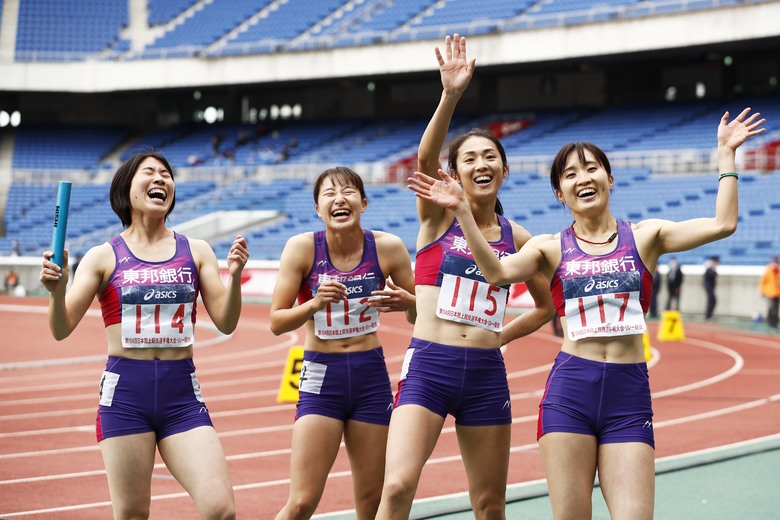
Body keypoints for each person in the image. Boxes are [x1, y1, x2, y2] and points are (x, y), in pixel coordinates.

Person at [409, 102, 765, 519]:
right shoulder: (548, 246)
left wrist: (726, 156)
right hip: (569, 395)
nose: (584, 178)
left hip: (628, 396)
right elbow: (497, 274)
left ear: (609, 178)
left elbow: (724, 223)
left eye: (591, 168)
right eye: (570, 174)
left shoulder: (648, 236)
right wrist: (464, 211)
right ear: (560, 193)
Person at [376, 35, 555, 520]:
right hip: (429, 367)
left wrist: (500, 338)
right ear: (452, 172)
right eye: (469, 158)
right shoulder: (438, 217)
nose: (480, 164)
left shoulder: (519, 236)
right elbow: (424, 159)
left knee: (490, 503)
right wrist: (450, 94)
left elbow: (546, 306)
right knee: (396, 488)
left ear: (504, 168)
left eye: (489, 157)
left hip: (484, 375)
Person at [39, 151, 248, 520]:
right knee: (133, 514)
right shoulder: (103, 256)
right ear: (126, 189)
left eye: (166, 174)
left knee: (221, 509)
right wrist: (57, 292)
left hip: (182, 396)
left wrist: (234, 277)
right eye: (149, 172)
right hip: (125, 396)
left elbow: (226, 322)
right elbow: (60, 328)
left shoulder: (196, 251)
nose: (160, 179)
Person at [270, 166, 416, 520]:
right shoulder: (302, 249)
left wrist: (408, 303)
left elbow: (418, 315)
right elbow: (276, 321)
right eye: (329, 194)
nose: (339, 198)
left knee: (371, 500)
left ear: (363, 203)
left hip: (370, 375)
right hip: (321, 375)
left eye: (349, 192)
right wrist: (314, 304)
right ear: (318, 209)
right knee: (303, 500)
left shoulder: (388, 248)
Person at [759, 256, 780, 331]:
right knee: (771, 309)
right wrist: (762, 292)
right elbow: (762, 282)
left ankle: (775, 325)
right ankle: (770, 324)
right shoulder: (768, 271)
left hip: (777, 294)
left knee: (776, 310)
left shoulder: (779, 271)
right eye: (774, 262)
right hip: (770, 294)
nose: (775, 264)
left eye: (776, 262)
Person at [704, 255, 720, 321]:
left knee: (713, 301)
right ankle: (708, 316)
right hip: (709, 287)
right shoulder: (709, 268)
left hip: (711, 287)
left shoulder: (712, 268)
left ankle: (709, 315)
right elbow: (711, 275)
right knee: (711, 301)